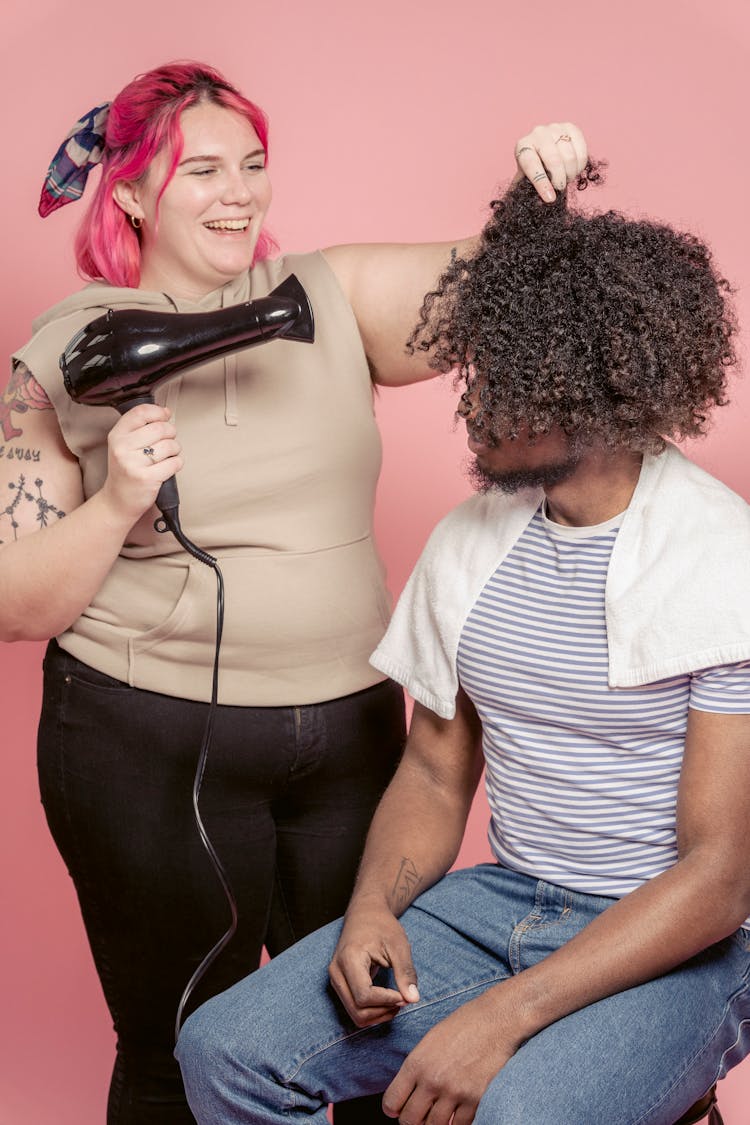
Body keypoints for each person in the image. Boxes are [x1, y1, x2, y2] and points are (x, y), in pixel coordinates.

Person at [0, 60, 587, 1124]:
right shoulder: (61, 357)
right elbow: (16, 604)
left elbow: (492, 282)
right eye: (202, 171)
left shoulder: (328, 294)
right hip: (143, 749)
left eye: (255, 165)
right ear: (130, 192)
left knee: (373, 1030)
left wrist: (537, 194)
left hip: (354, 744)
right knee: (177, 1048)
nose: (240, 193)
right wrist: (112, 503)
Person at [174, 167, 750, 1124]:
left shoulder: (721, 559)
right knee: (225, 1050)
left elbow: (719, 876)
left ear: (608, 386)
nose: (476, 406)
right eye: (480, 370)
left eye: (516, 379)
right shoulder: (470, 542)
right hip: (500, 904)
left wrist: (502, 1018)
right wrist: (370, 910)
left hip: (678, 937)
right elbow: (438, 772)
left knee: (516, 1111)